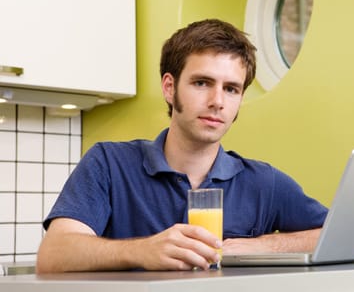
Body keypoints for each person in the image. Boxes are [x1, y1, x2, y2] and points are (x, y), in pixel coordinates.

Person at [36, 19, 328, 273]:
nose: (217, 101)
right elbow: (53, 254)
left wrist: (267, 246)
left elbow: (342, 233)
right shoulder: (108, 164)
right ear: (169, 87)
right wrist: (142, 251)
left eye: (231, 89)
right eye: (202, 83)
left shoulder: (264, 182)